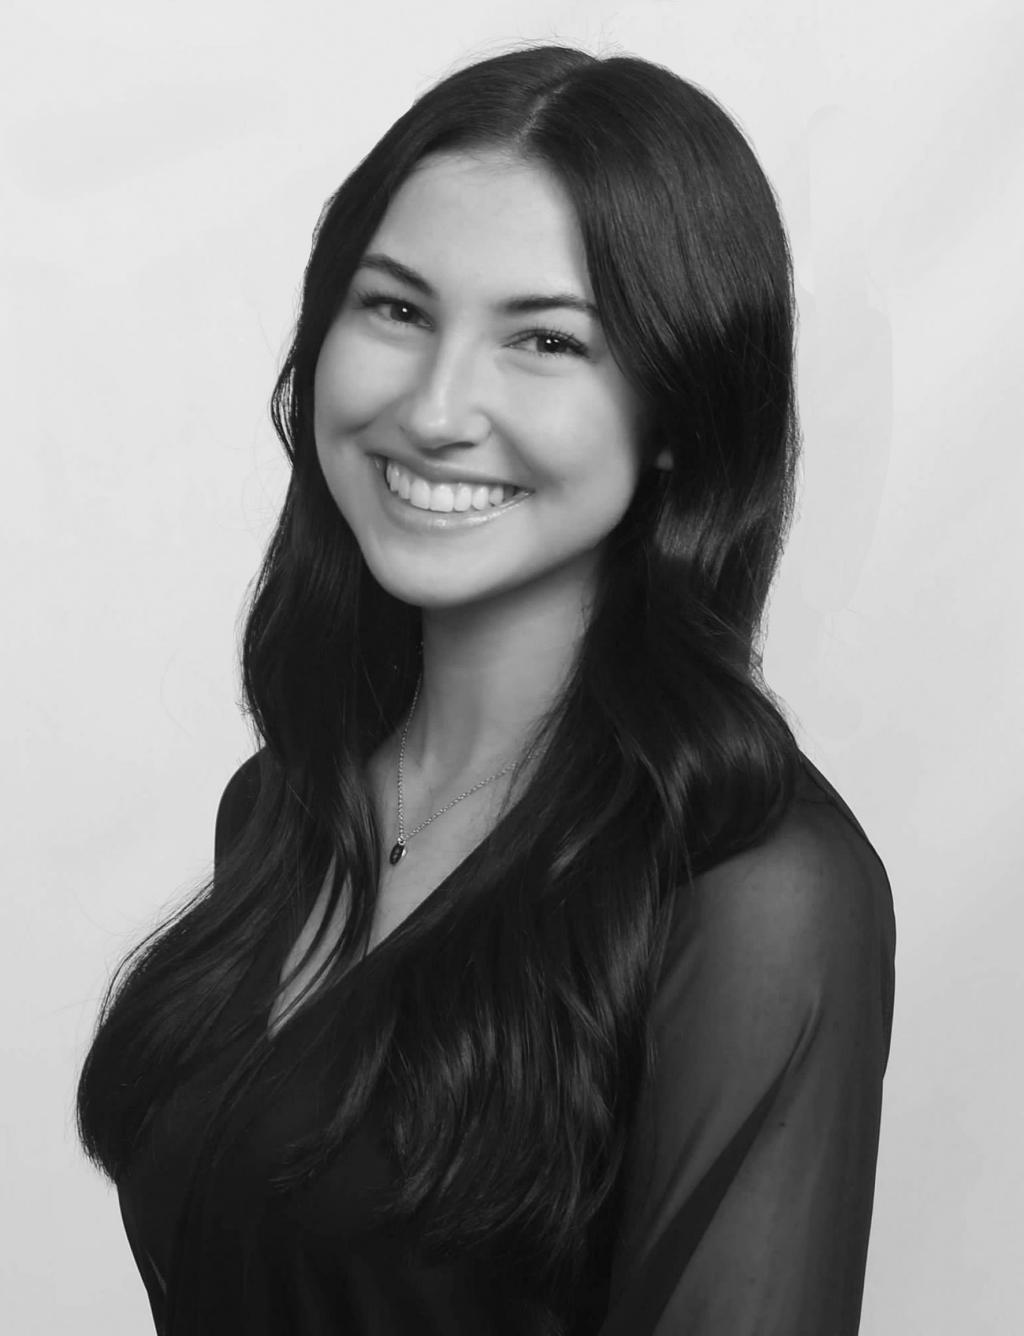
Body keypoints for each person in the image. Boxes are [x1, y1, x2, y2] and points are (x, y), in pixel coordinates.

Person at [76, 42, 896, 1336]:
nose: (438, 407)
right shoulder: (284, 806)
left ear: (677, 412)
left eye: (546, 339)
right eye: (397, 311)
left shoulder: (752, 887)